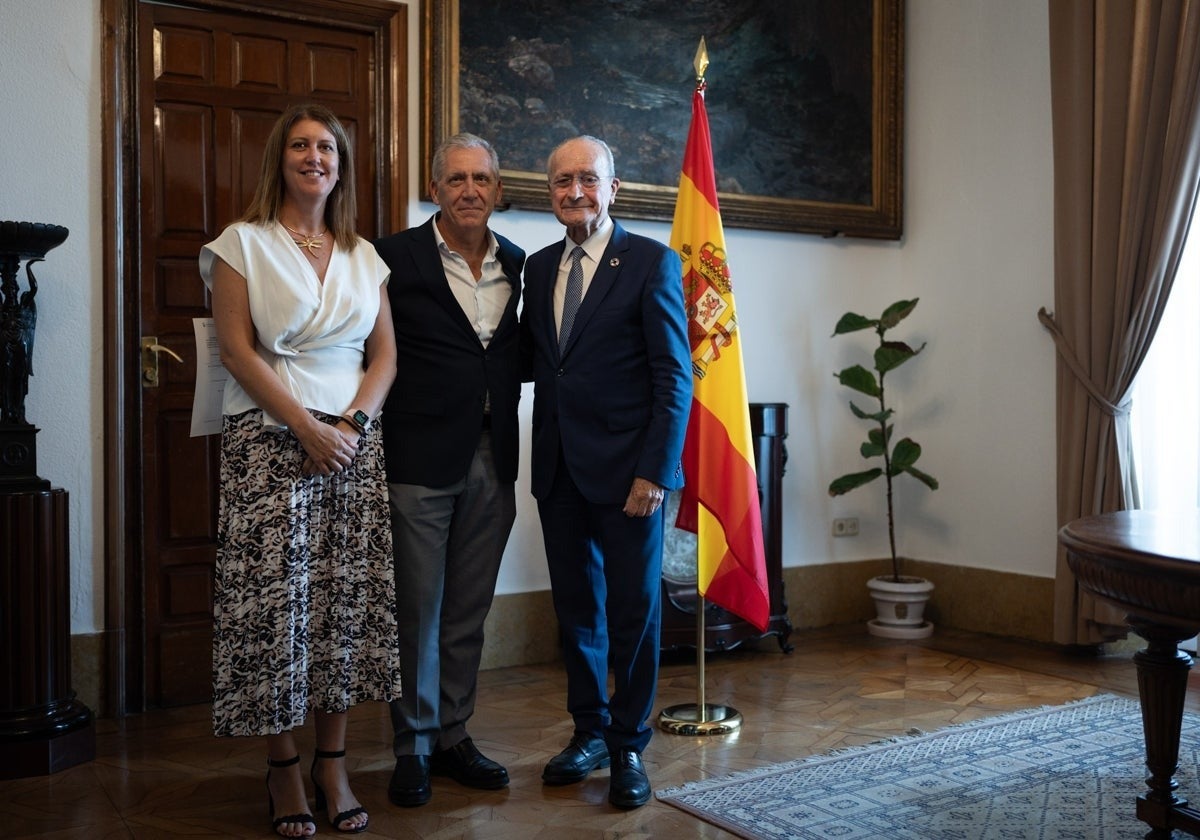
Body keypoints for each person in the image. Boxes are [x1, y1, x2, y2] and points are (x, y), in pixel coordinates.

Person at [199, 103, 401, 838]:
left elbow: (384, 356)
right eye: (300, 146)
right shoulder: (239, 245)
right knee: (276, 611)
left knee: (340, 609)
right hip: (271, 442)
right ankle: (283, 769)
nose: (315, 157)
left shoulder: (362, 253)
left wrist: (349, 426)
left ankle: (334, 763)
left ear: (341, 165)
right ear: (279, 160)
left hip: (352, 445)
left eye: (327, 147)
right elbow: (237, 351)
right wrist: (306, 426)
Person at [518, 135, 692, 809]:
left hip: (630, 477)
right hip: (560, 467)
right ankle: (587, 731)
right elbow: (543, 364)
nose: (573, 192)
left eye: (587, 180)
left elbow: (673, 376)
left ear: (613, 188)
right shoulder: (536, 267)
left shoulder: (650, 262)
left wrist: (656, 471)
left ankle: (628, 746)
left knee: (634, 615)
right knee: (577, 612)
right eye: (561, 181)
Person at [373, 133, 525, 807]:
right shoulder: (389, 258)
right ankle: (412, 745)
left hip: (495, 454)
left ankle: (453, 734)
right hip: (417, 456)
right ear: (435, 188)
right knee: (419, 610)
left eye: (482, 179)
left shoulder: (520, 265)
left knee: (468, 608)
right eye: (457, 178)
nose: (470, 189)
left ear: (497, 190)